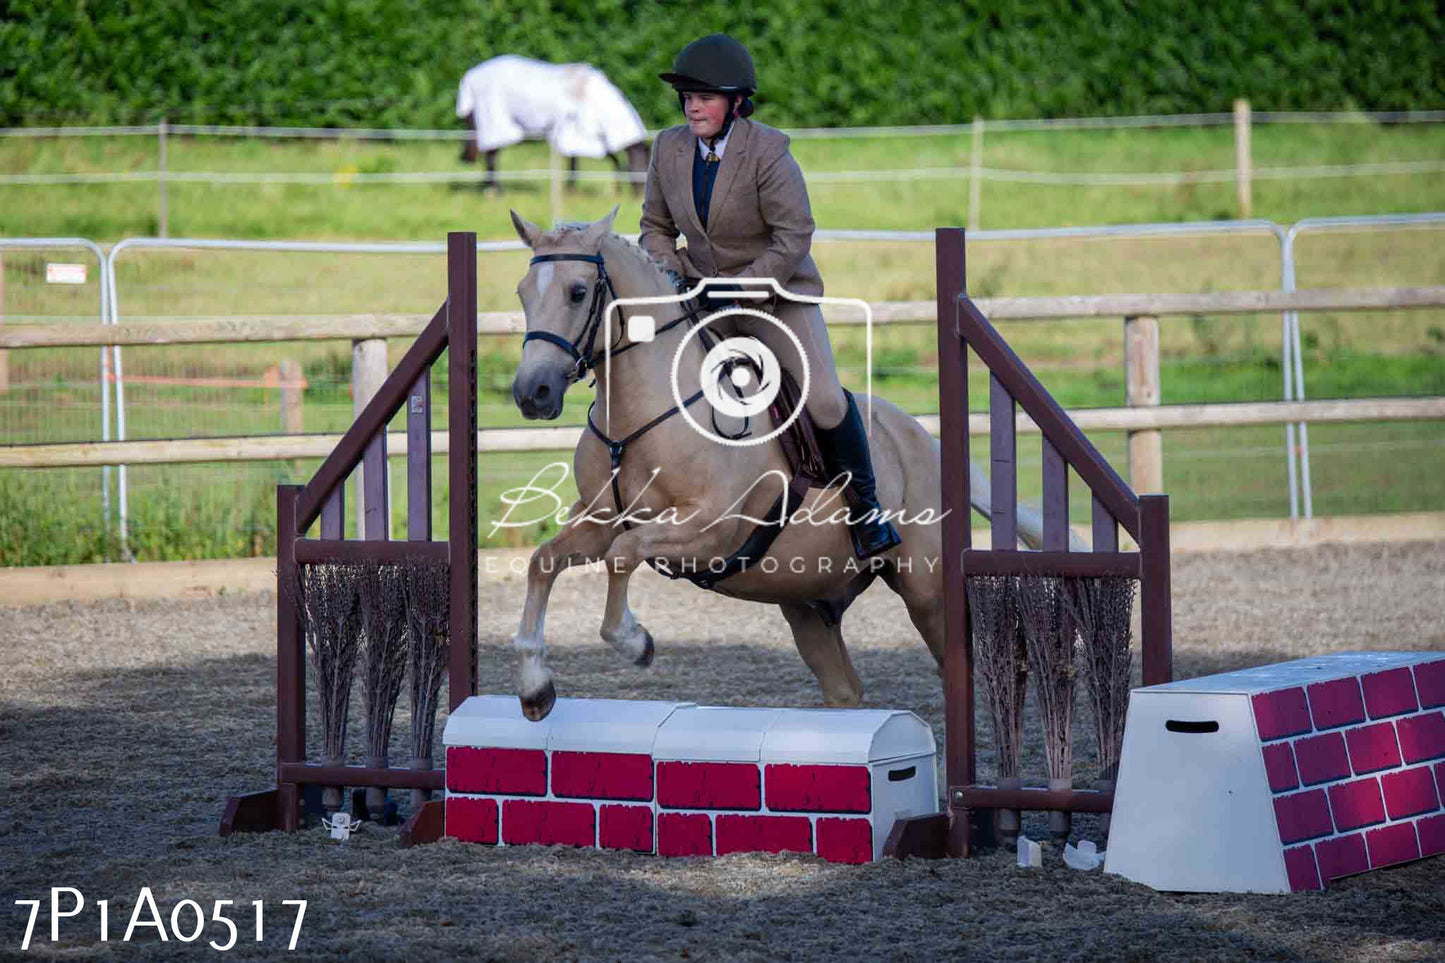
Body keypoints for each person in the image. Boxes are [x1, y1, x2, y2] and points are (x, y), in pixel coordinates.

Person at [639, 33, 900, 560]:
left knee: (824, 397)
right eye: (686, 96)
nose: (692, 105)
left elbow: (793, 236)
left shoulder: (769, 150)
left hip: (776, 298)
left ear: (737, 102)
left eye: (705, 96)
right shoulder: (667, 148)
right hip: (700, 297)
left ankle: (867, 512)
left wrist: (743, 285)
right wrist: (676, 274)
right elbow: (653, 228)